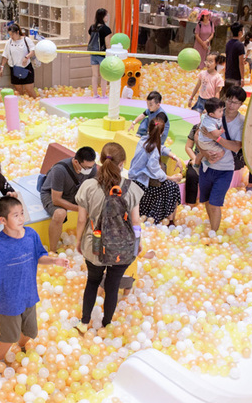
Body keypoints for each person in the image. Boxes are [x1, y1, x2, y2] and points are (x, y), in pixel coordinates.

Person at [0, 196, 69, 364]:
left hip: (29, 295)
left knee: (30, 332)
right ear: (3, 220)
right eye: (15, 215)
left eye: (22, 213)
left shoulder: (30, 235)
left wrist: (53, 260)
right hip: (9, 300)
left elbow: (39, 256)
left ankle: (20, 346)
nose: (21, 218)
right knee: (10, 336)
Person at [75, 143, 143, 332]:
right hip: (122, 248)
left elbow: (81, 219)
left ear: (100, 161)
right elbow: (136, 222)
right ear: (122, 163)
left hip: (95, 245)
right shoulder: (132, 188)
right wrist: (138, 244)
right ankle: (107, 323)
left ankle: (84, 322)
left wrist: (79, 240)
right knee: (112, 287)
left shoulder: (88, 186)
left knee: (92, 281)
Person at [198, 85, 247, 232]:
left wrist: (216, 138)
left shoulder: (241, 122)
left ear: (241, 104)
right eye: (229, 100)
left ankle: (214, 232)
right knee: (206, 200)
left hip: (225, 168)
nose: (231, 105)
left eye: (235, 102)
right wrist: (203, 153)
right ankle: (212, 224)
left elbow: (236, 146)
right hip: (206, 166)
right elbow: (198, 135)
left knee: (215, 203)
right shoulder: (215, 113)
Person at [128, 113, 183, 225]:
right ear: (162, 133)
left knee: (169, 185)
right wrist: (170, 178)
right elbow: (155, 171)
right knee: (172, 187)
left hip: (137, 180)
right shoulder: (152, 148)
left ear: (149, 129)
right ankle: (169, 220)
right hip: (142, 185)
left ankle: (169, 219)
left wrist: (174, 156)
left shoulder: (144, 140)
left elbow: (161, 148)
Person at [39, 146, 98, 252]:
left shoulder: (92, 169)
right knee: (60, 214)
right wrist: (80, 208)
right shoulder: (60, 170)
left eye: (92, 166)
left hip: (74, 193)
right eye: (86, 168)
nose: (89, 170)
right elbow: (56, 199)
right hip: (52, 194)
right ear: (76, 162)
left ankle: (87, 244)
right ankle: (53, 251)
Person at [0, 23, 37, 99]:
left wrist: (26, 57)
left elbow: (33, 51)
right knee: (19, 90)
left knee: (29, 89)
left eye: (12, 35)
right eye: (10, 35)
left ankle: (35, 103)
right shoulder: (9, 42)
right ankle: (23, 105)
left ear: (17, 32)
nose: (11, 37)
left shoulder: (26, 40)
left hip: (26, 68)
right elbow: (5, 55)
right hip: (14, 69)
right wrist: (2, 67)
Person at [193, 98, 226, 166]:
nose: (222, 112)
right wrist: (221, 130)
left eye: (222, 110)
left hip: (202, 140)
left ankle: (196, 163)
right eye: (220, 111)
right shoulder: (209, 122)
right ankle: (209, 162)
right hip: (206, 143)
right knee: (222, 152)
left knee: (201, 153)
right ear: (211, 114)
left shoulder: (211, 117)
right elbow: (216, 134)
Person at [87, 8, 112, 98]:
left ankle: (95, 94)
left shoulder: (92, 27)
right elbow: (107, 44)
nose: (107, 17)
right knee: (103, 76)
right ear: (102, 17)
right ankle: (104, 95)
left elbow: (89, 40)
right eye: (106, 15)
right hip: (102, 54)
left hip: (93, 53)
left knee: (94, 75)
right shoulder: (106, 29)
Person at [221, 23, 246, 98]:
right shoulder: (240, 45)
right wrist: (242, 78)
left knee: (227, 93)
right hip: (236, 75)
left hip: (228, 73)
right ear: (240, 32)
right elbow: (241, 63)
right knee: (234, 95)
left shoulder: (228, 43)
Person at [184, 124, 202, 204]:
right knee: (191, 175)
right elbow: (188, 147)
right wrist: (195, 159)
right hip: (196, 158)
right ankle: (190, 204)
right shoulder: (196, 127)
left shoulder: (218, 129)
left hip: (211, 161)